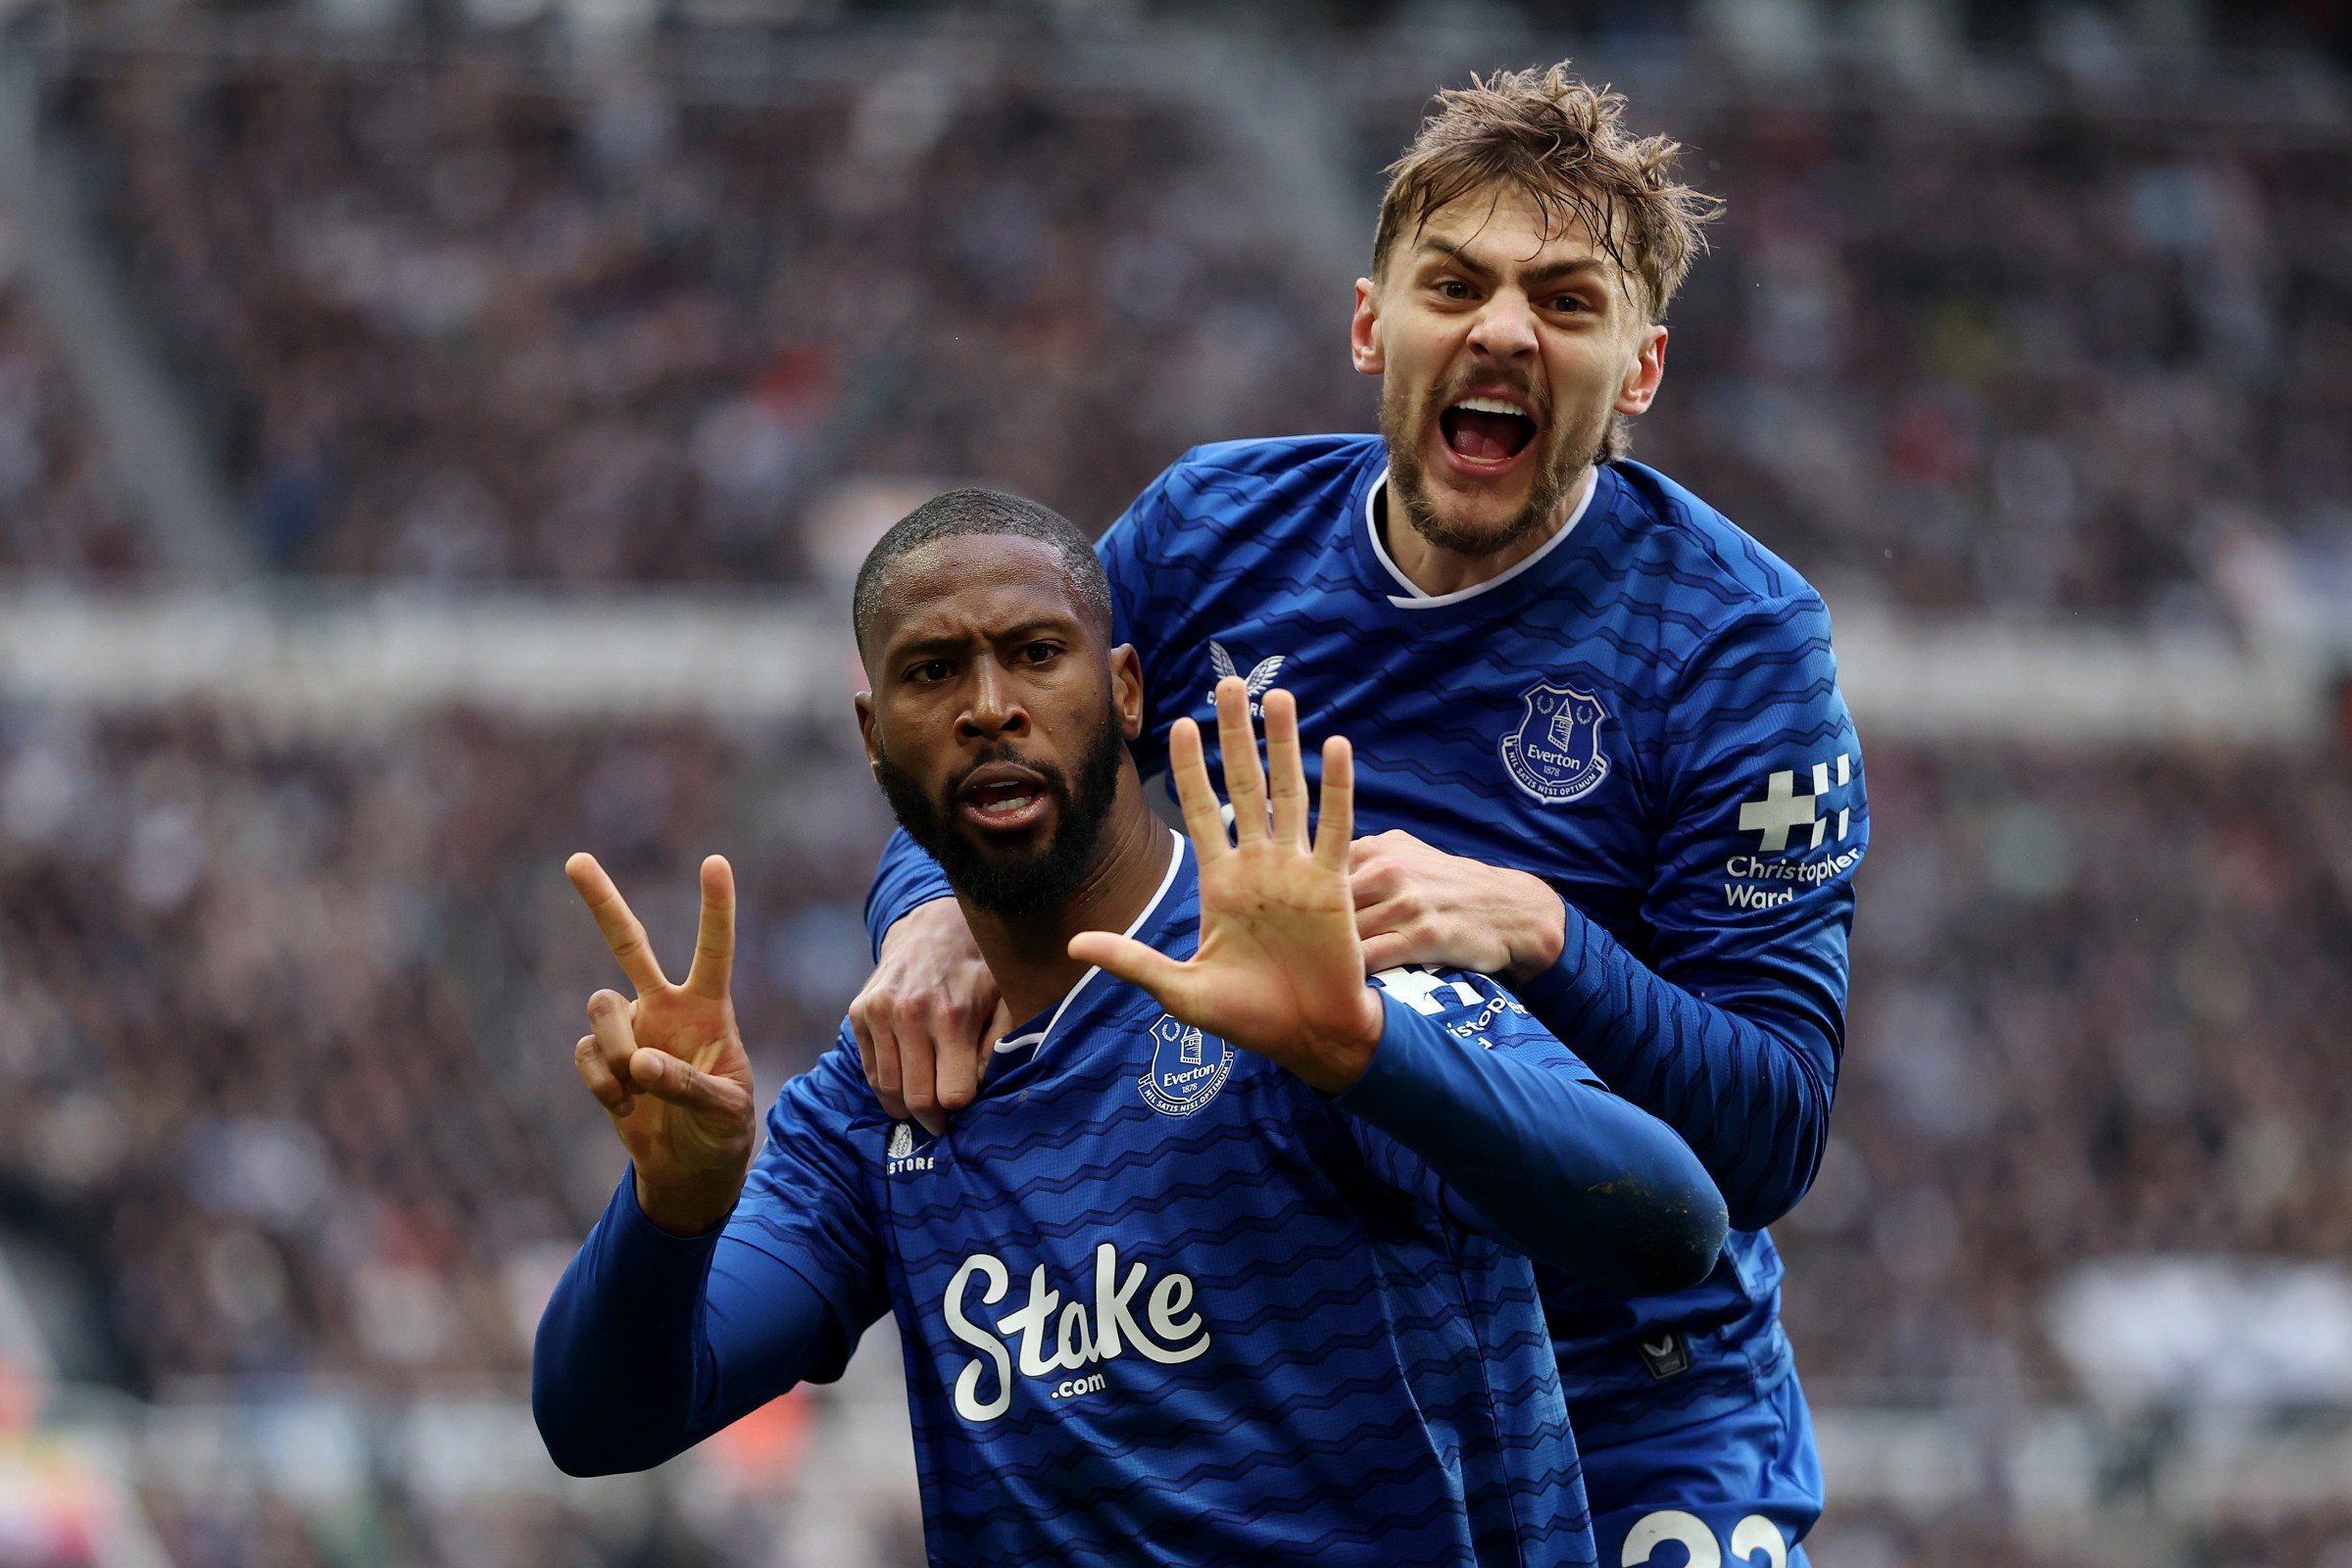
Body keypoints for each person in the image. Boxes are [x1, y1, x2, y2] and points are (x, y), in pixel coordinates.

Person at [852, 64, 1867, 1566]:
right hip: (1312, 1388)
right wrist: (924, 907)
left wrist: (1542, 935)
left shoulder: (1738, 643)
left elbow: (1771, 1134)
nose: (1503, 329)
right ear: (1370, 324)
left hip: (1634, 1398)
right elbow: (991, 762)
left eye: (1568, 301)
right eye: (1455, 283)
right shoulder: (1211, 532)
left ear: (1639, 369)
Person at [531, 491, 1729, 1567]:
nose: (988, 709)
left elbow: (1672, 1223)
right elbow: (597, 1423)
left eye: (1035, 655)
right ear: (872, 731)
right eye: (933, 673)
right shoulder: (884, 1091)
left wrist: (1360, 1048)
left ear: (1124, 692)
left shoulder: (1309, 959)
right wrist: (670, 1213)